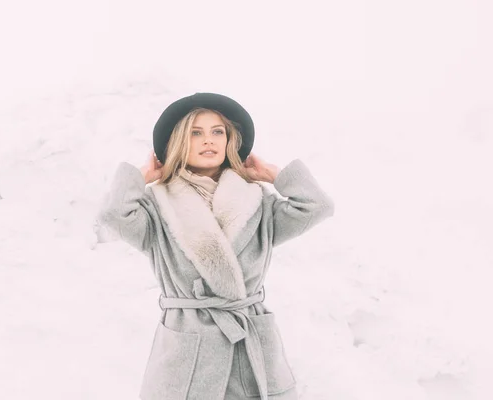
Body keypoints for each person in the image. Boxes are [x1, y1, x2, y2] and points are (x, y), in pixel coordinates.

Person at [95, 92, 335, 400]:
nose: (208, 140)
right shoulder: (157, 205)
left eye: (217, 132)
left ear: (229, 140)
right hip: (187, 353)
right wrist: (142, 177)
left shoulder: (258, 201)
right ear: (179, 141)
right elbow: (113, 215)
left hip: (249, 341)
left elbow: (317, 206)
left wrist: (273, 175)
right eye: (196, 132)